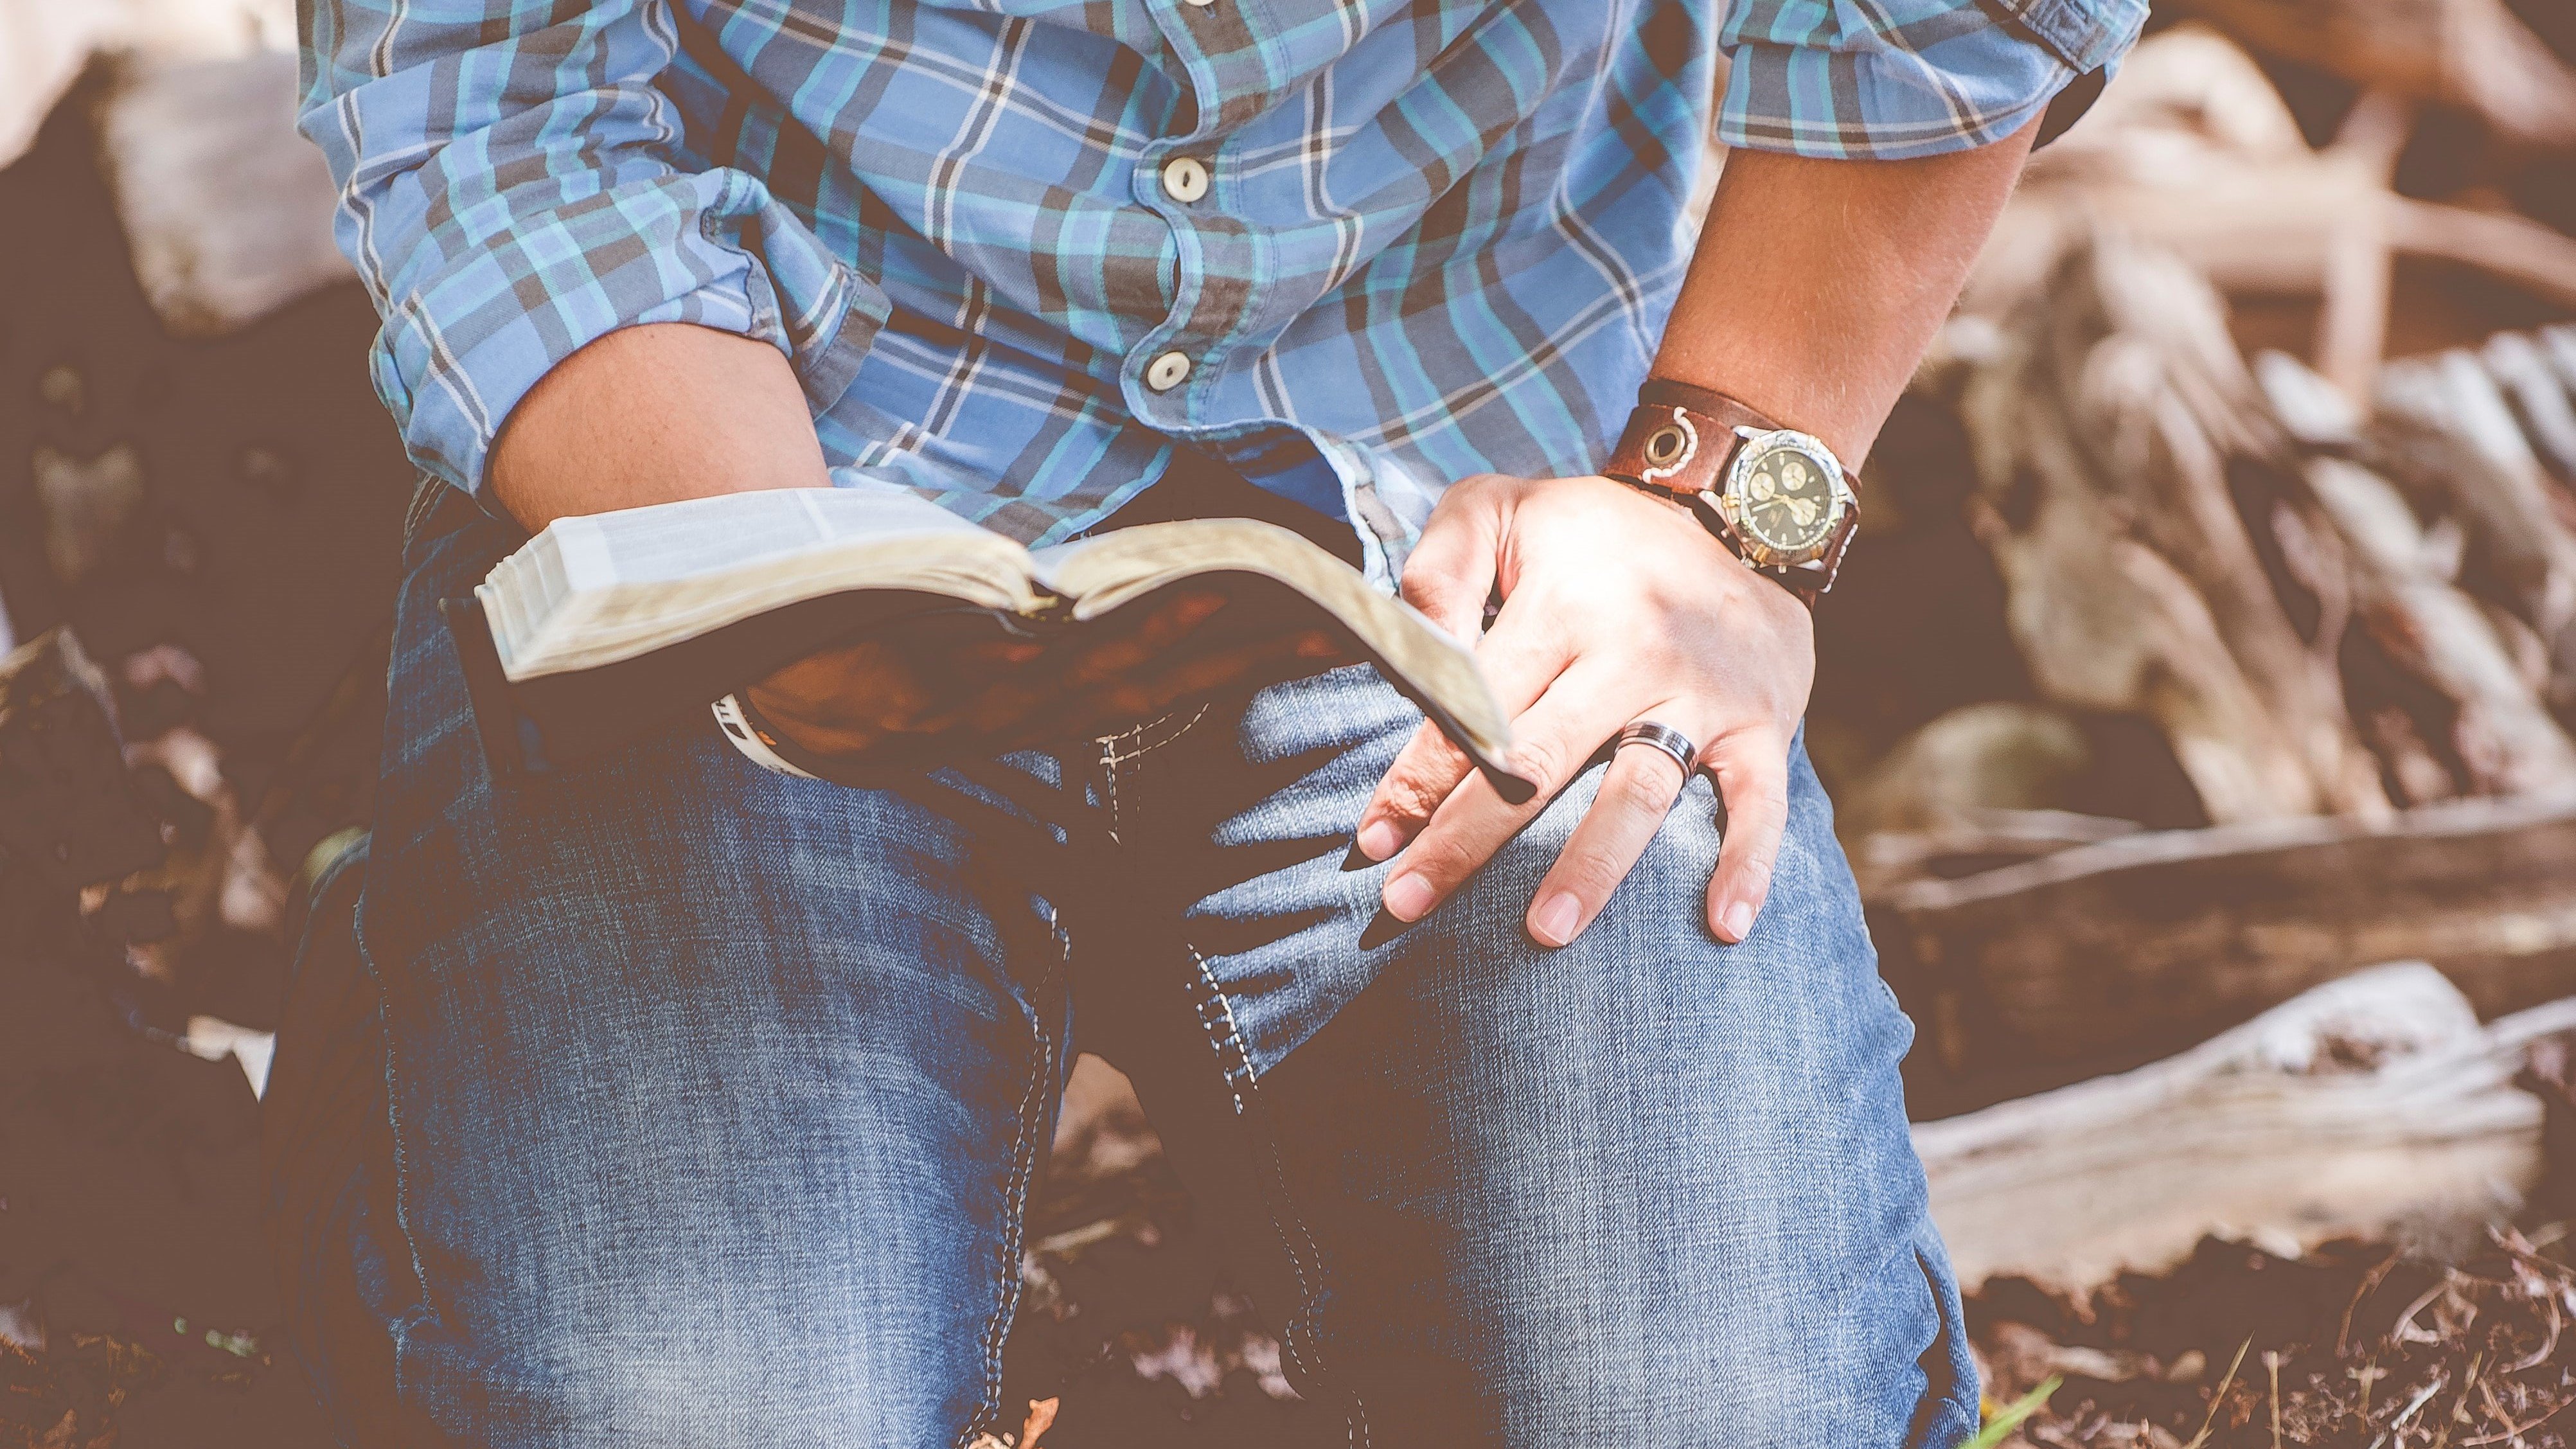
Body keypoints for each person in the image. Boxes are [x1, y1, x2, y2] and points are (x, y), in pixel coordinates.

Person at [280, 0, 2140, 1443]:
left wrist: (1714, 500)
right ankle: (425, 1074)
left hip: (1469, 522)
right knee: (700, 1412)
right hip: (746, 448)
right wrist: (762, 564)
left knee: (1701, 1410)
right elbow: (485, 80)